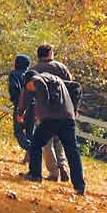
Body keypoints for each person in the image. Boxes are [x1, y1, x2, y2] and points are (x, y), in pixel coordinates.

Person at [16, 70, 85, 195]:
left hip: (52, 118)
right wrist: (74, 107)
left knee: (36, 143)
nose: (30, 90)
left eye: (28, 87)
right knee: (72, 151)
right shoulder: (56, 79)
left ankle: (35, 174)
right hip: (68, 118)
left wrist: (44, 105)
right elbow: (76, 86)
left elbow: (39, 87)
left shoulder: (38, 79)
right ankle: (79, 186)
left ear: (30, 81)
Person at [31, 44, 72, 182]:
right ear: (50, 54)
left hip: (45, 111)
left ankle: (54, 172)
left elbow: (30, 91)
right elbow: (71, 86)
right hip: (63, 109)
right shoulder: (61, 67)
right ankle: (64, 167)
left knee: (46, 143)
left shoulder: (35, 70)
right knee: (59, 140)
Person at [8, 54, 34, 157]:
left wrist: (15, 100)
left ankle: (31, 148)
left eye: (15, 60)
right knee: (30, 131)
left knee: (18, 131)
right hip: (33, 106)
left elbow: (13, 88)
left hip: (20, 105)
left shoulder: (14, 74)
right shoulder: (31, 75)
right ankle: (29, 157)